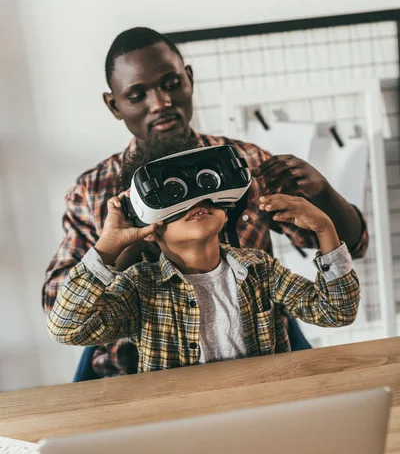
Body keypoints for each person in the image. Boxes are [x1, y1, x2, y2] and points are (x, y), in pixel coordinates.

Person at [42, 27, 369, 377]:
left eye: (170, 84)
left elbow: (345, 267)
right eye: (138, 95)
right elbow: (60, 313)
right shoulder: (93, 192)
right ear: (115, 104)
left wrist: (322, 197)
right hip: (129, 369)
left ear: (189, 79)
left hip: (259, 348)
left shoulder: (244, 166)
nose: (161, 103)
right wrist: (120, 246)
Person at [47, 157, 360, 368]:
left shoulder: (260, 270)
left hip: (263, 415)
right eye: (174, 195)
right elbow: (65, 328)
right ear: (149, 227)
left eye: (206, 191)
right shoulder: (140, 288)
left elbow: (337, 311)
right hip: (181, 430)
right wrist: (106, 248)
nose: (197, 202)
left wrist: (325, 229)